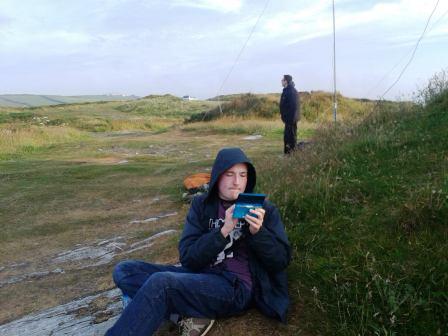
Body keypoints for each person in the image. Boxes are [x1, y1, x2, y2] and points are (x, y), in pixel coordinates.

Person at [106, 147, 291, 336]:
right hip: (199, 275)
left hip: (234, 288)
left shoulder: (263, 210)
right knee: (125, 270)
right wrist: (223, 230)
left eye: (242, 175)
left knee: (161, 284)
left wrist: (257, 232)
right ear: (218, 176)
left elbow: (280, 261)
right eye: (230, 174)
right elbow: (188, 259)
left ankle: (175, 309)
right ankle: (188, 315)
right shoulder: (201, 205)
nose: (237, 182)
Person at [280, 74, 300, 154]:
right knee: (287, 137)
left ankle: (291, 154)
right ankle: (288, 153)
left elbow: (294, 106)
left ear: (286, 81)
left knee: (290, 137)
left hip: (291, 119)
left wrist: (290, 118)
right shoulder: (287, 90)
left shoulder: (291, 91)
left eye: (283, 80)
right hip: (288, 119)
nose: (281, 81)